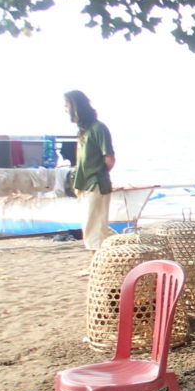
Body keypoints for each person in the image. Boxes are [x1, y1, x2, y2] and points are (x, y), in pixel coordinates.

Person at [65, 90, 115, 273]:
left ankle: (98, 266)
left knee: (95, 225)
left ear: (76, 107)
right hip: (85, 184)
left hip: (96, 183)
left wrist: (97, 176)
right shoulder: (85, 131)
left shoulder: (98, 128)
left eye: (67, 105)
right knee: (90, 224)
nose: (65, 109)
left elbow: (109, 159)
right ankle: (97, 264)